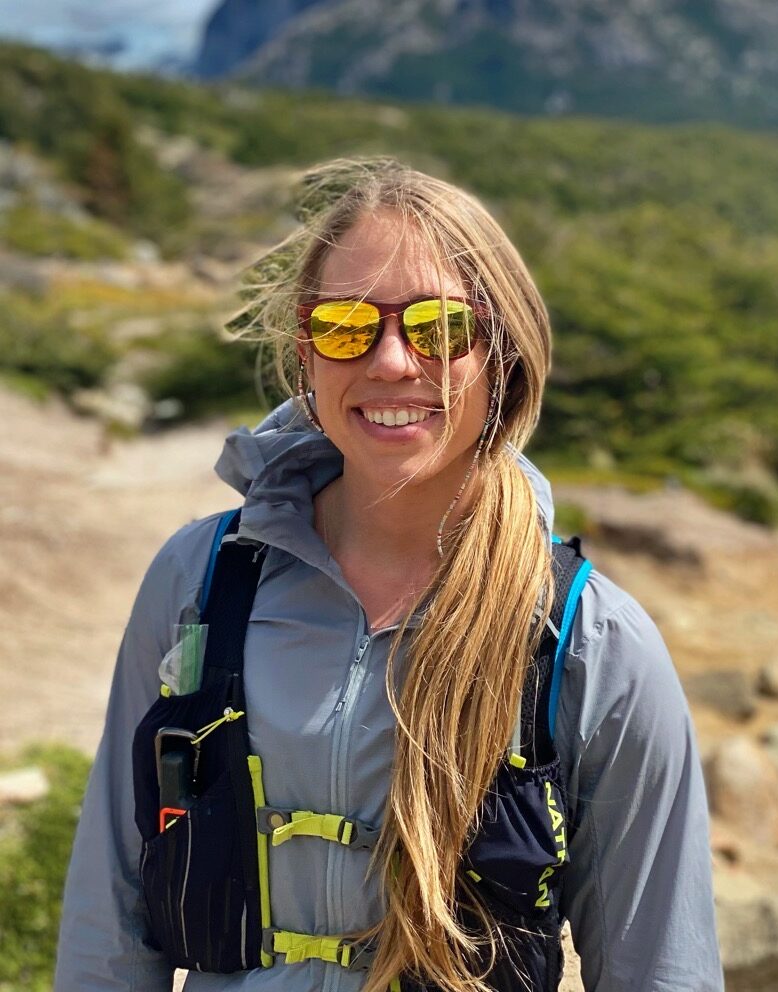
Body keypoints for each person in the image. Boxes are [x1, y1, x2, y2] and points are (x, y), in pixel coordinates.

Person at [55, 158, 723, 992]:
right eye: (345, 326)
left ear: (504, 353)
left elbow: (661, 968)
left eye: (441, 328)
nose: (393, 361)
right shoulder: (197, 579)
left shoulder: (591, 641)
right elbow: (110, 919)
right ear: (305, 352)